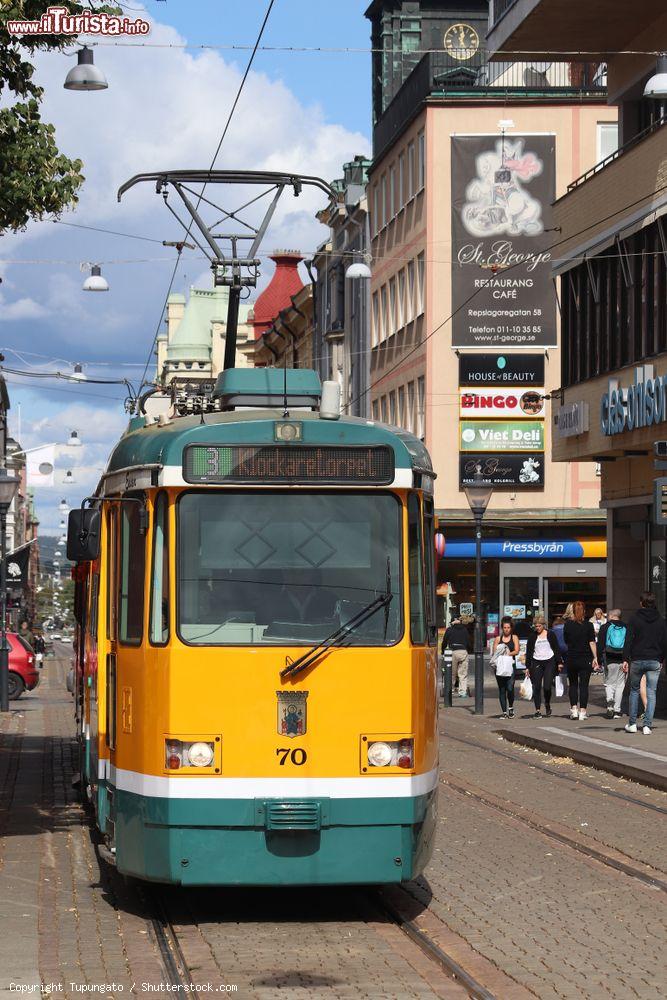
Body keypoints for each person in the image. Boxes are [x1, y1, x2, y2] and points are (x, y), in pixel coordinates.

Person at [623, 591, 667, 736]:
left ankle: (633, 723)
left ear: (641, 603)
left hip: (637, 659)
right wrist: (662, 659)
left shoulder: (634, 619)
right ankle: (647, 725)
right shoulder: (661, 620)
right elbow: (664, 642)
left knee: (634, 691)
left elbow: (628, 640)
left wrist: (625, 659)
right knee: (651, 692)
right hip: (654, 659)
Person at [563, 601, 598, 721]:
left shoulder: (568, 624)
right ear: (584, 611)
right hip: (585, 658)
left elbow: (566, 640)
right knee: (584, 686)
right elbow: (592, 642)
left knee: (573, 684)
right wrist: (595, 657)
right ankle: (583, 711)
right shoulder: (589, 625)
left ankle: (574, 709)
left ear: (573, 611)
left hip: (572, 657)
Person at [525, 615, 563, 718]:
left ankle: (547, 703)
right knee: (536, 687)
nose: (537, 628)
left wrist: (559, 662)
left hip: (549, 661)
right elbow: (528, 652)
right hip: (537, 662)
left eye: (539, 626)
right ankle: (537, 710)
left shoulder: (550, 634)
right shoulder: (532, 636)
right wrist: (527, 667)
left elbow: (556, 648)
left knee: (547, 687)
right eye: (536, 626)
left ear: (543, 625)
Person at [596, 609, 627, 719]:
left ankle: (610, 701)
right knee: (620, 685)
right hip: (622, 660)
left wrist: (599, 661)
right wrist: (627, 659)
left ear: (611, 616)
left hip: (609, 658)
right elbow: (629, 644)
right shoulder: (626, 626)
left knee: (609, 682)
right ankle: (617, 710)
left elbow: (600, 645)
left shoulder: (605, 627)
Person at [492, 616, 519, 719]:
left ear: (511, 628)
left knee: (510, 687)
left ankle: (511, 707)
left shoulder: (514, 637)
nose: (506, 629)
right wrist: (499, 654)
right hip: (500, 666)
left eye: (508, 627)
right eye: (504, 627)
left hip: (511, 665)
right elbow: (495, 652)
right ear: (502, 628)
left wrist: (507, 653)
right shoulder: (498, 639)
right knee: (502, 689)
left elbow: (516, 650)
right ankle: (504, 711)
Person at [442, 617, 471, 697]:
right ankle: (462, 692)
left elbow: (444, 641)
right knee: (463, 674)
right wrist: (468, 650)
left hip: (453, 651)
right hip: (463, 651)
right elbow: (469, 642)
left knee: (451, 673)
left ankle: (450, 690)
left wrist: (442, 651)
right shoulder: (465, 630)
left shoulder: (449, 630)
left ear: (452, 622)